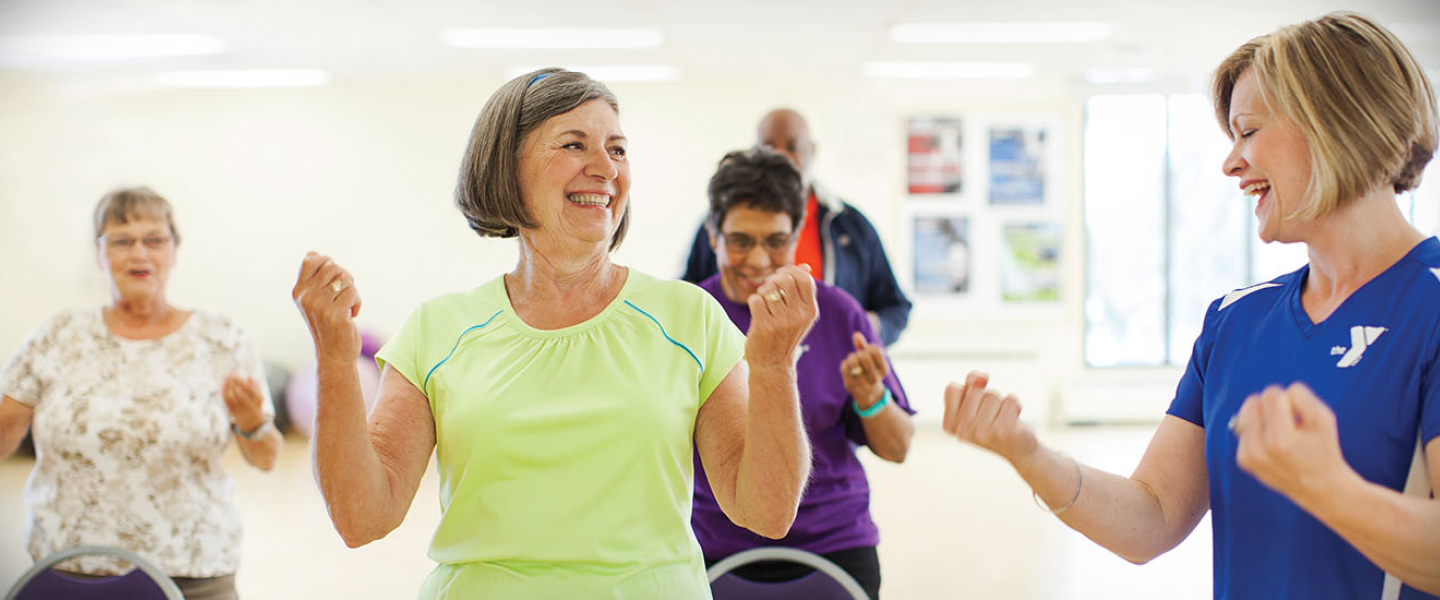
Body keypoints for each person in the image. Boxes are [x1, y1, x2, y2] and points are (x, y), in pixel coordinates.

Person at [942, 11, 1440, 599]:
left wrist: (1330, 489)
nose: (1231, 163)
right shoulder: (1236, 321)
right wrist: (1028, 453)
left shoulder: (1429, 309)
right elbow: (1150, 520)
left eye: (1249, 131)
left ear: (1339, 124)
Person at [290, 68, 818, 598]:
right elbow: (363, 518)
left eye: (617, 149)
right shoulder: (438, 329)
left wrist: (774, 366)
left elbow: (766, 511)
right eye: (574, 144)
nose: (605, 168)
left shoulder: (689, 318)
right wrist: (335, 358)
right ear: (507, 167)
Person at [0, 186, 280, 600]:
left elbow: (266, 456)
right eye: (121, 241)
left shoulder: (221, 338)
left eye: (154, 240)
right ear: (99, 254)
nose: (139, 253)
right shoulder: (56, 335)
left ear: (174, 250)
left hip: (195, 576)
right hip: (70, 574)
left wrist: (253, 420)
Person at [691, 147, 915, 599]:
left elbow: (898, 446)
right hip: (715, 546)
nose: (757, 260)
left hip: (834, 544)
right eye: (740, 240)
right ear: (713, 236)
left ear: (797, 236)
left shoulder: (836, 312)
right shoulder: (691, 317)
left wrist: (871, 396)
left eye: (775, 241)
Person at [682, 108, 912, 346]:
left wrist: (863, 329)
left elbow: (894, 306)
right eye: (741, 241)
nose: (758, 260)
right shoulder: (718, 223)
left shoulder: (851, 227)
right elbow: (688, 291)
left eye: (792, 147)